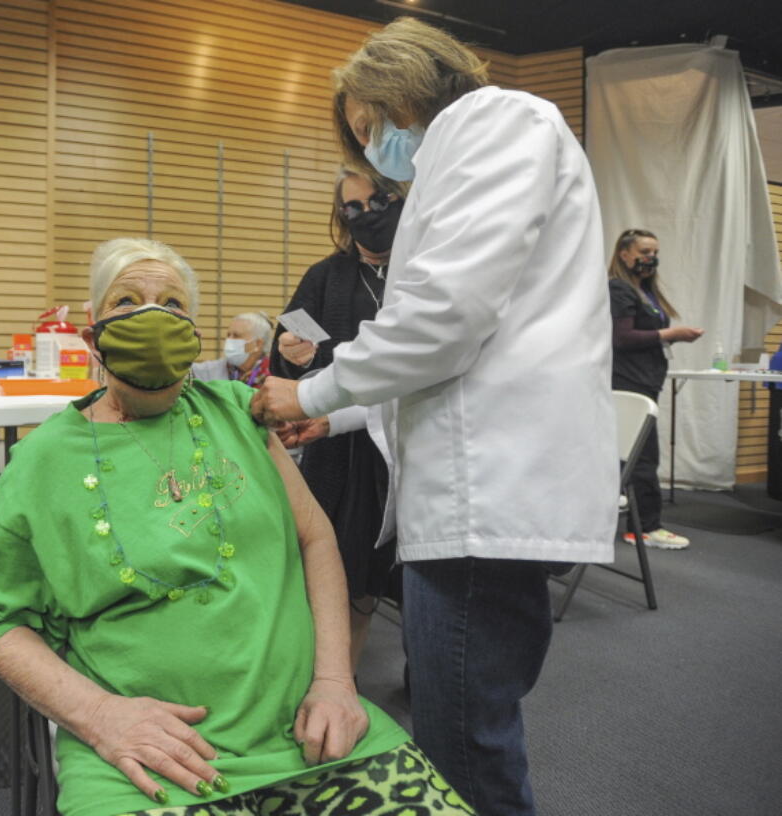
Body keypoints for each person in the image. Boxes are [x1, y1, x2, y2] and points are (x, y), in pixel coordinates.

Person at [0, 237, 473, 816]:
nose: (153, 316)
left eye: (174, 306)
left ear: (194, 336)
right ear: (92, 337)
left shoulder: (238, 412)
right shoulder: (43, 462)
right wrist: (99, 716)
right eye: (127, 301)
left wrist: (335, 681)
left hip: (314, 737)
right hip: (148, 762)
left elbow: (315, 537)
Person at [251, 18, 618, 816]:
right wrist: (336, 421)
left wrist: (307, 394)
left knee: (463, 745)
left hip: (487, 494)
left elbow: (442, 321)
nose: (372, 147)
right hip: (480, 483)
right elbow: (452, 348)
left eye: (369, 125)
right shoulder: (467, 151)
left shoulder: (497, 123)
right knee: (468, 725)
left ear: (403, 85)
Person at [271, 165, 404, 669]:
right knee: (343, 578)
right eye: (351, 208)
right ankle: (336, 681)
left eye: (378, 202)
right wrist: (290, 354)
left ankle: (428, 676)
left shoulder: (426, 276)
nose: (365, 216)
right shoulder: (324, 276)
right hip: (340, 454)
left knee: (419, 578)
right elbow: (282, 357)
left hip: (411, 447)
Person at [608, 228, 704, 549]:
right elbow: (621, 338)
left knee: (633, 457)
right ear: (624, 253)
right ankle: (645, 528)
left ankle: (636, 523)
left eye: (654, 252)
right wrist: (670, 333)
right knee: (644, 457)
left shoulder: (644, 291)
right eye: (644, 251)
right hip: (628, 383)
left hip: (645, 381)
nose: (651, 258)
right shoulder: (619, 290)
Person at [190, 311, 273, 387]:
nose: (229, 340)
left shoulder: (274, 376)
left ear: (258, 344)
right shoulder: (209, 371)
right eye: (228, 335)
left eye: (236, 336)